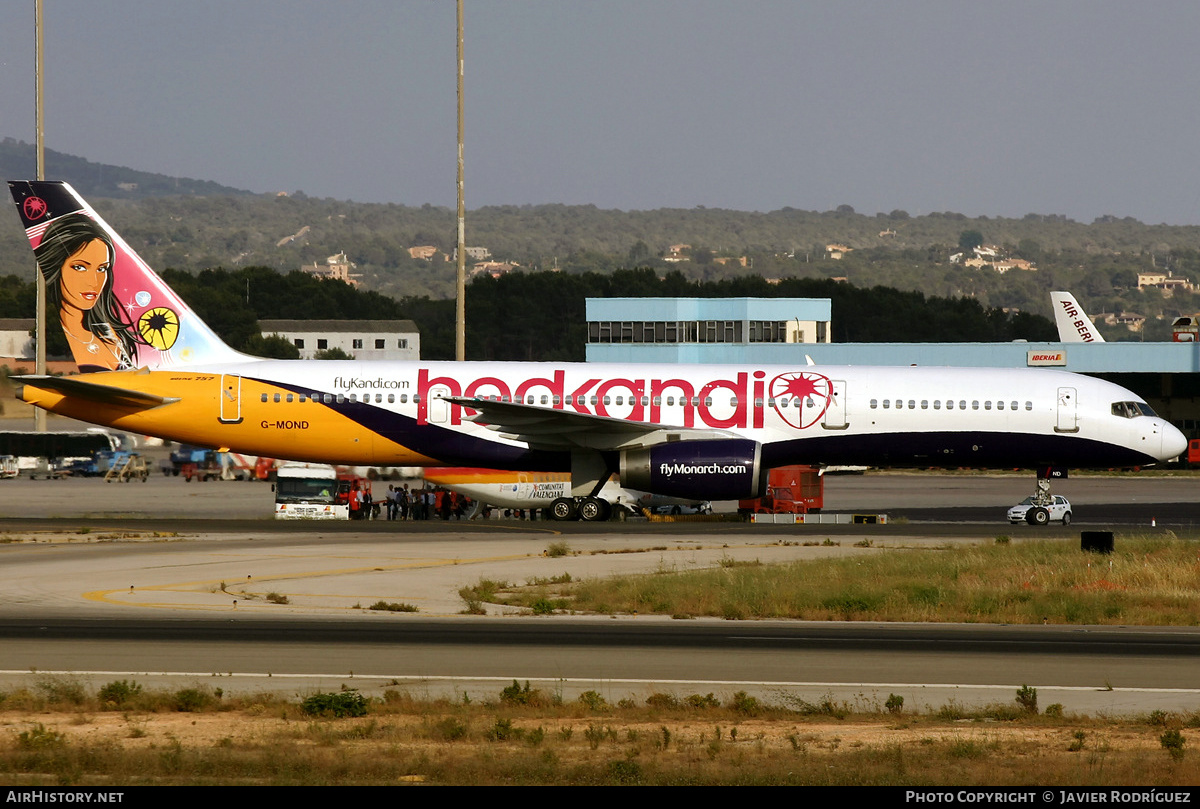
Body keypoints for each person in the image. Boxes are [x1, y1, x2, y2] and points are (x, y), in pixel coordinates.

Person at [33, 212, 144, 372]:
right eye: (80, 267)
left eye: (102, 269)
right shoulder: (79, 336)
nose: (94, 282)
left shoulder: (111, 335)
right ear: (57, 267)